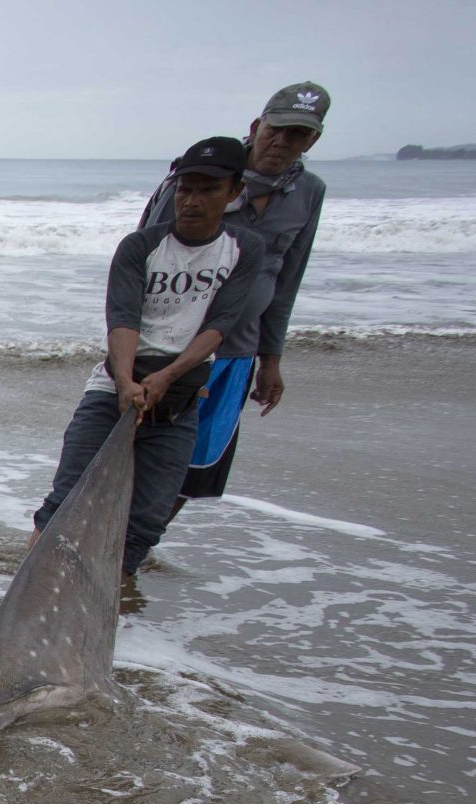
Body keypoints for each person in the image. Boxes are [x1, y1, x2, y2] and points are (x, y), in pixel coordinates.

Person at [27, 137, 262, 581]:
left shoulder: (243, 250)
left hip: (181, 397)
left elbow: (220, 324)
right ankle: (26, 605)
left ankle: (110, 606)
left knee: (145, 523)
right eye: (185, 189)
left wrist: (169, 376)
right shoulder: (140, 246)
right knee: (64, 503)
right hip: (115, 385)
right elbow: (122, 319)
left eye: (207, 190)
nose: (192, 201)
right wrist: (125, 382)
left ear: (234, 192)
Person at [141, 82, 331, 511]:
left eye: (297, 135)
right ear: (256, 125)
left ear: (313, 139)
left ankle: (134, 555)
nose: (282, 142)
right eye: (275, 130)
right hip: (169, 348)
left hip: (236, 354)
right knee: (136, 458)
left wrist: (271, 360)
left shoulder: (309, 193)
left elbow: (286, 281)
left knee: (192, 471)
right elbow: (140, 261)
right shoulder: (197, 178)